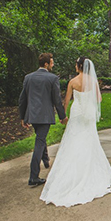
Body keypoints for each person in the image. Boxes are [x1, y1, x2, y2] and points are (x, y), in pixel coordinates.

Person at [40, 57, 111, 207]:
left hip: (77, 113)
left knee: (73, 138)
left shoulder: (72, 82)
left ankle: (69, 174)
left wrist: (63, 116)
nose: (74, 66)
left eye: (75, 64)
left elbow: (66, 101)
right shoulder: (93, 81)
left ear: (79, 66)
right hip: (88, 114)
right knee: (89, 138)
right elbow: (99, 99)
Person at [19, 53, 68, 186]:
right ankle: (33, 177)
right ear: (46, 64)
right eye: (51, 62)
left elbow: (22, 99)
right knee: (39, 142)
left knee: (41, 137)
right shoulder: (52, 79)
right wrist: (62, 116)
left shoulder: (28, 77)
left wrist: (23, 117)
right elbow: (57, 100)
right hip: (45, 116)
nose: (53, 64)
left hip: (33, 116)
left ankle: (45, 160)